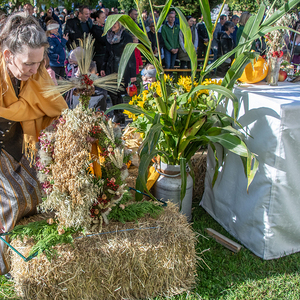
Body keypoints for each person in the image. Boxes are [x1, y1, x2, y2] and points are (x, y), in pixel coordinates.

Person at [0, 12, 68, 275]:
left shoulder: (37, 74)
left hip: (21, 142)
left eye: (39, 63)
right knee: (13, 200)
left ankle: (28, 257)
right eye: (29, 63)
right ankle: (6, 267)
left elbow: (57, 110)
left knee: (41, 191)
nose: (34, 70)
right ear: (7, 56)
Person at [100, 21, 136, 124]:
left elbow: (131, 55)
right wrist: (103, 67)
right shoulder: (108, 36)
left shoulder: (126, 37)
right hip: (110, 68)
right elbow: (107, 53)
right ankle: (118, 114)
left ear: (120, 24)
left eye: (115, 23)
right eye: (111, 23)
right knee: (112, 92)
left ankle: (119, 114)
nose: (113, 25)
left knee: (118, 92)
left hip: (122, 68)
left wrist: (133, 74)